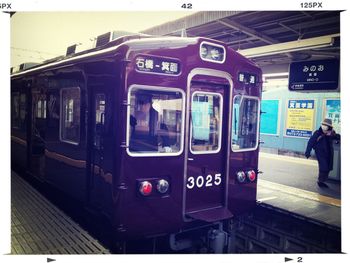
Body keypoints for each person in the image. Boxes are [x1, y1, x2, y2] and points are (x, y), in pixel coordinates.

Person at [305, 118, 341, 188]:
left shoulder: (331, 133)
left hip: (329, 152)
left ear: (329, 127)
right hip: (320, 152)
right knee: (323, 167)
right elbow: (310, 142)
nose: (324, 126)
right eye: (323, 124)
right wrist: (307, 152)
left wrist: (335, 135)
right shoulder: (317, 133)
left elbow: (337, 137)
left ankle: (323, 180)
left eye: (326, 125)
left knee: (328, 167)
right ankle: (320, 181)